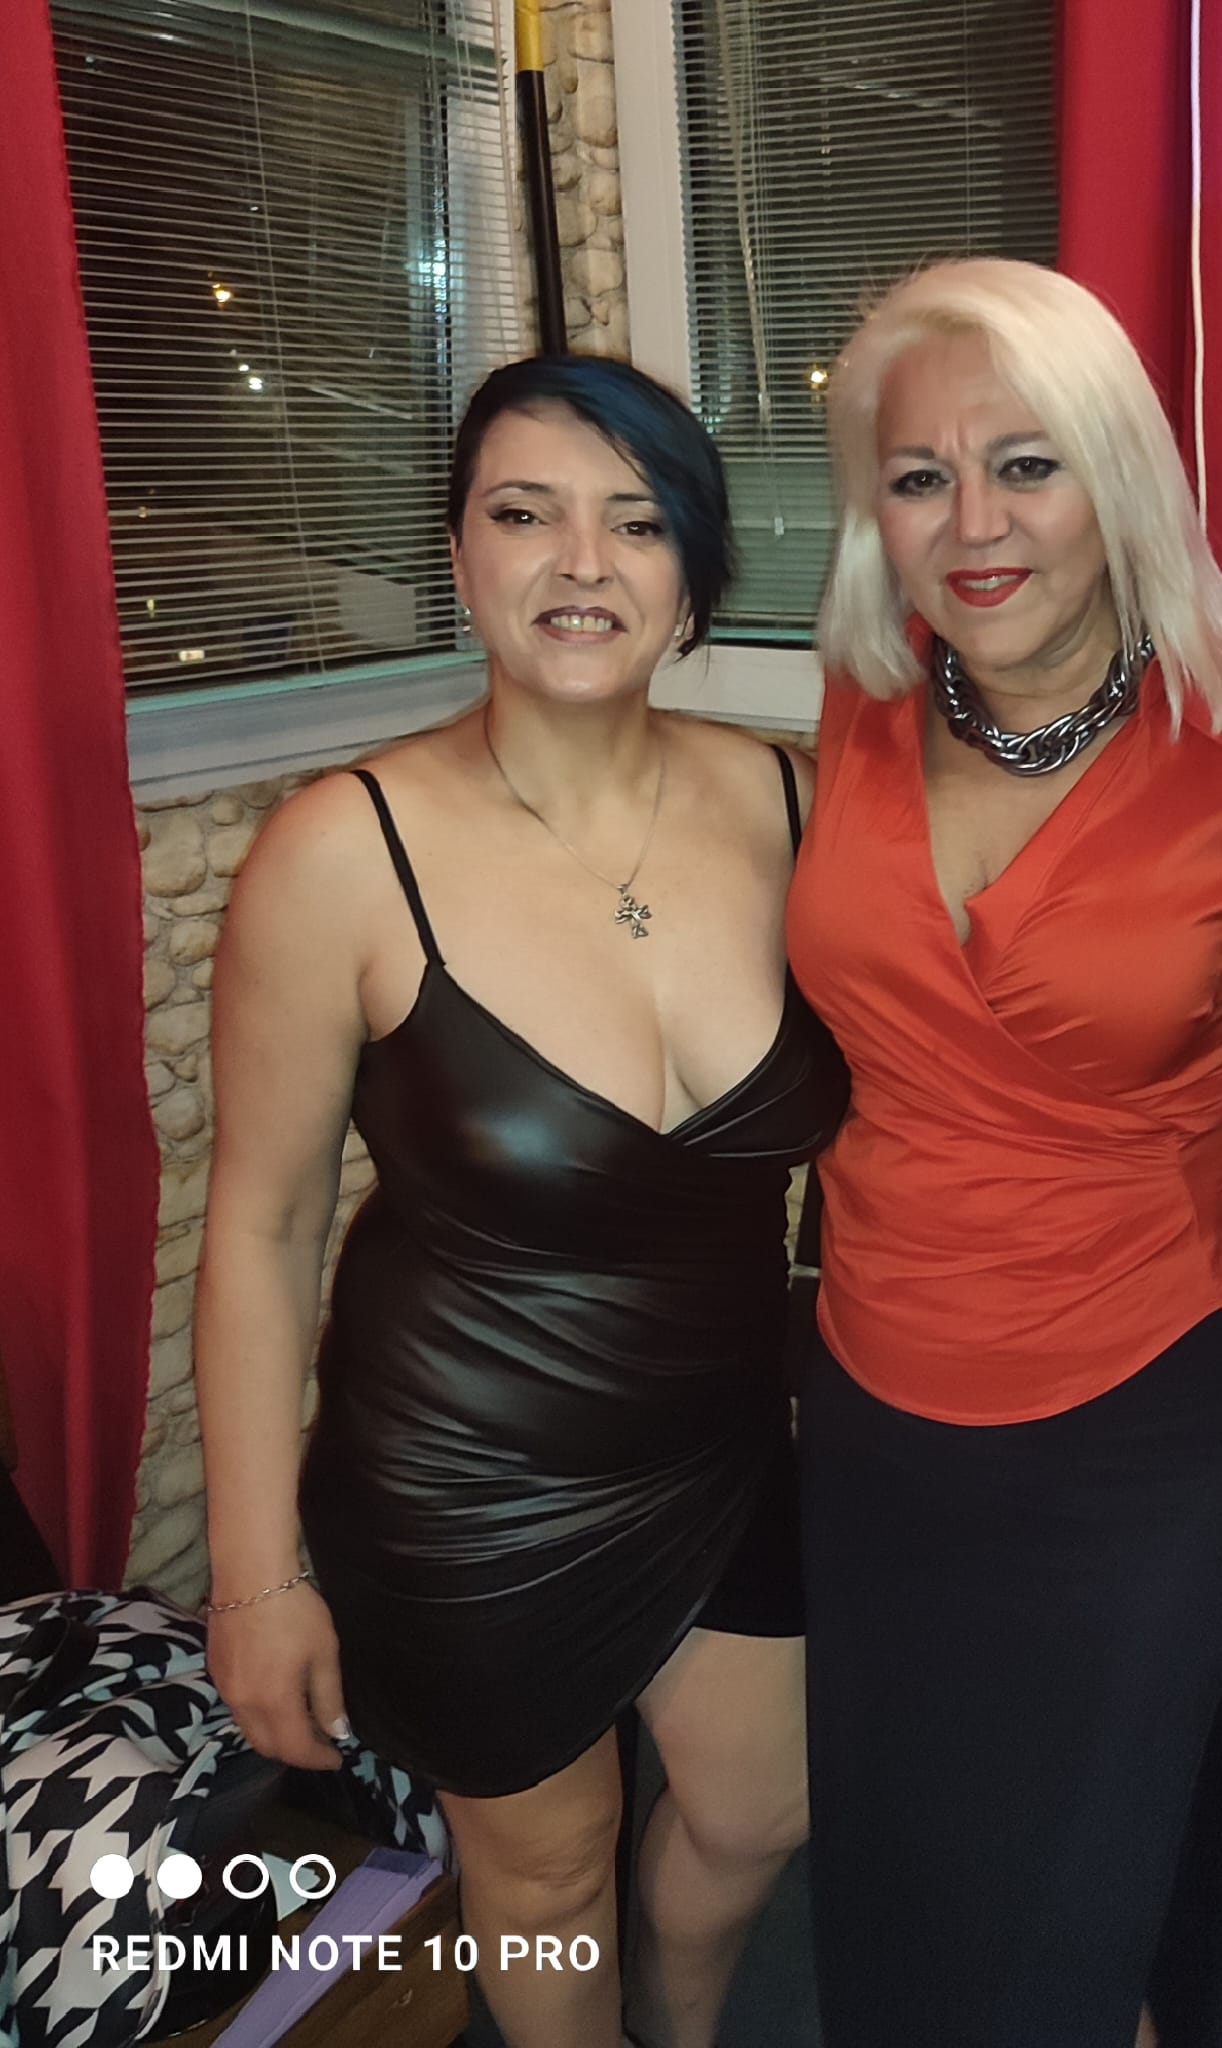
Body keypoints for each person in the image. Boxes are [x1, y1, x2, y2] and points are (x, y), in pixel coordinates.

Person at [193, 355, 847, 2048]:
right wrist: (256, 1576)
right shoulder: (339, 851)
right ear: (461, 556)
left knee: (760, 1808)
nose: (581, 563)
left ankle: (678, 2025)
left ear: (695, 573)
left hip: (722, 1440)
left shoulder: (792, 801)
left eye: (637, 522)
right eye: (525, 513)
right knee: (544, 1876)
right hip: (465, 1487)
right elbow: (262, 1230)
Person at [782, 258, 1222, 2047]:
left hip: (1153, 1399)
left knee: (1077, 1900)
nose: (975, 525)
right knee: (897, 1869)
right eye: (921, 476)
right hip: (875, 1392)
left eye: (1026, 465)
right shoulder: (856, 717)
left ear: (1120, 477)